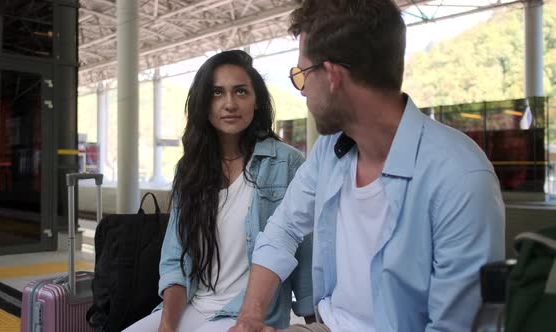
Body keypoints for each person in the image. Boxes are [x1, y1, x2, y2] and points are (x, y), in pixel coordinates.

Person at [229, 1, 505, 332]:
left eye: (301, 75)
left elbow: (452, 327)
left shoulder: (460, 178)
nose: (302, 92)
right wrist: (249, 318)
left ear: (331, 76)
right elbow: (283, 229)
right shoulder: (330, 151)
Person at [123, 50, 314, 332]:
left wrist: (316, 322)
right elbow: (174, 260)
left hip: (244, 316)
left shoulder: (287, 163)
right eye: (216, 92)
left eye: (240, 92)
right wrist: (166, 326)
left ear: (257, 101)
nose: (229, 103)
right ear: (203, 102)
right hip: (189, 306)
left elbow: (306, 255)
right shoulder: (188, 170)